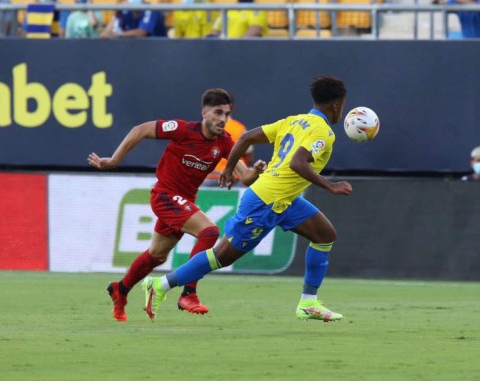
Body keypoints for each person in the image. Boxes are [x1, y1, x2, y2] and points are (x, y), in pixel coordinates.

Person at [143, 76, 352, 323]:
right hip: (265, 202)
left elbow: (246, 138)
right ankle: (160, 284)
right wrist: (331, 186)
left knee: (325, 235)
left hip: (284, 199)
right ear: (337, 105)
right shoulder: (324, 132)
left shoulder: (294, 121)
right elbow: (298, 162)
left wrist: (230, 168)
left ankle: (308, 302)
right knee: (221, 256)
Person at [87, 88, 266, 322]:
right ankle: (188, 293)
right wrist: (114, 160)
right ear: (204, 112)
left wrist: (256, 172)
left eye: (227, 114)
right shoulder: (183, 129)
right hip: (164, 195)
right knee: (209, 232)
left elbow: (245, 177)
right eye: (218, 112)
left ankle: (120, 289)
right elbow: (140, 130)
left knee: (157, 256)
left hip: (183, 202)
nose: (223, 119)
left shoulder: (224, 143)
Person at [100, 0, 167, 38]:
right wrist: (116, 15)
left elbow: (141, 33)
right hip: (133, 51)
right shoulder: (125, 11)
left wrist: (119, 34)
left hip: (156, 49)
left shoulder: (151, 10)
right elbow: (104, 35)